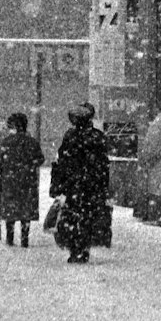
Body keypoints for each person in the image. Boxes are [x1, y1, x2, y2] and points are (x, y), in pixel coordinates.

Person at [50, 103, 112, 263]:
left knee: (72, 215)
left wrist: (58, 183)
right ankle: (84, 246)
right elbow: (103, 164)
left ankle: (75, 246)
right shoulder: (98, 137)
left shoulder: (70, 136)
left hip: (74, 184)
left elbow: (62, 161)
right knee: (88, 216)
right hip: (92, 184)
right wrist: (103, 185)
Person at [0, 112, 45, 248]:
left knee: (10, 212)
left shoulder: (6, 142)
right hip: (27, 181)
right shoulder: (31, 142)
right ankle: (24, 239)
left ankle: (10, 238)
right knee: (25, 212)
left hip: (10, 181)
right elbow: (40, 159)